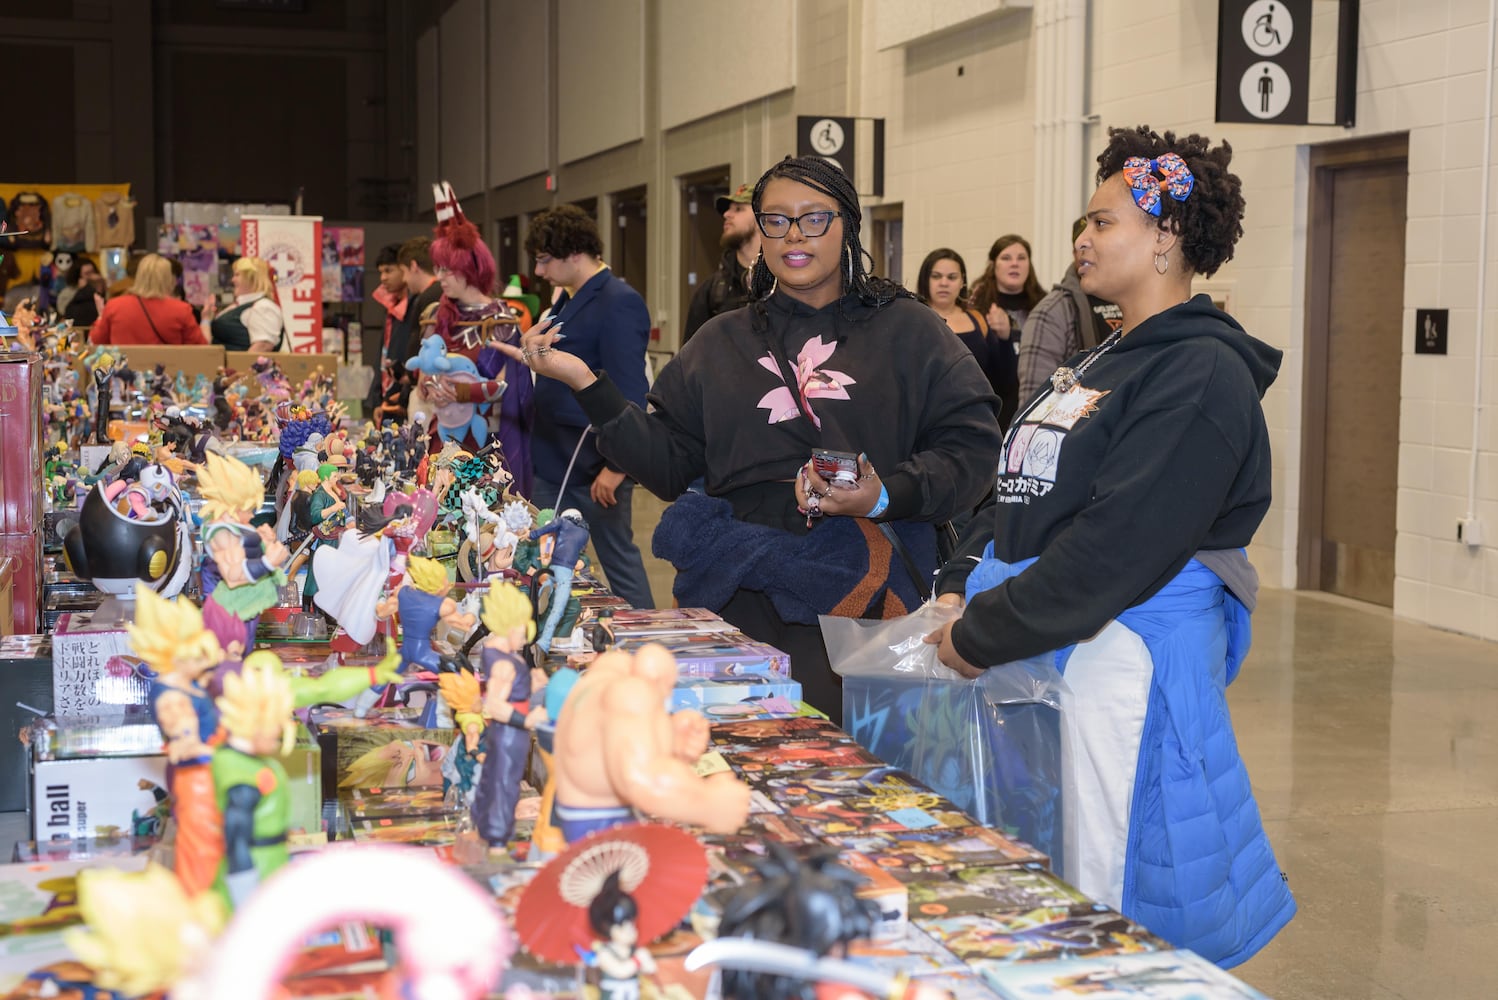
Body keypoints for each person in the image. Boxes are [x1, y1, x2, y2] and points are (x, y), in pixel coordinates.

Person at [923, 126, 1296, 966]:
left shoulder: (1200, 372)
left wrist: (981, 633)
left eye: (1102, 223)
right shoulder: (1105, 359)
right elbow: (1018, 483)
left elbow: (1118, 548)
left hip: (1112, 662)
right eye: (1080, 227)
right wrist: (959, 580)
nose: (1081, 241)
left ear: (1165, 238)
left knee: (1101, 894)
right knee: (1043, 880)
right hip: (1044, 645)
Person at [504, 157, 1001, 722]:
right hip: (735, 592)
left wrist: (884, 494)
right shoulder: (720, 342)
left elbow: (974, 447)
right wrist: (584, 383)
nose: (794, 235)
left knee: (843, 770)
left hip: (863, 604)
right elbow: (669, 466)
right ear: (759, 232)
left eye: (814, 219)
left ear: (848, 227)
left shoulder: (909, 332)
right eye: (776, 220)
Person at [522, 204, 655, 610]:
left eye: (545, 260)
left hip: (594, 463)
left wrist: (618, 468)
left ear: (574, 252)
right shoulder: (570, 300)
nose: (540, 271)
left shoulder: (618, 301)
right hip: (554, 457)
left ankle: (648, 643)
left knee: (618, 562)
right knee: (548, 560)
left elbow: (631, 391)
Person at [549, 644, 751, 842]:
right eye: (669, 689)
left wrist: (671, 738)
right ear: (660, 681)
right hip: (598, 826)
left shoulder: (601, 678)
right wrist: (707, 803)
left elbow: (606, 745)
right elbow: (640, 780)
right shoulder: (633, 692)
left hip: (578, 813)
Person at [411, 208, 533, 494]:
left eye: (447, 268)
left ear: (470, 267)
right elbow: (421, 384)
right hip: (443, 437)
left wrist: (460, 393)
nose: (439, 276)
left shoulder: (500, 320)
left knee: (483, 521)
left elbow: (506, 387)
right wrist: (429, 390)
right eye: (438, 267)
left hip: (486, 442)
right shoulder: (435, 315)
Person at [1017, 217, 1122, 401]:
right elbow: (1033, 402)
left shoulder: (1129, 301)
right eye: (1080, 247)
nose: (1085, 252)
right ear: (1074, 253)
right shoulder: (1050, 312)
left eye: (1095, 245)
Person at [915, 247, 1007, 409]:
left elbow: (1001, 376)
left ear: (962, 281)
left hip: (975, 411)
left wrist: (1005, 338)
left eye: (952, 277)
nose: (944, 283)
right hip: (927, 414)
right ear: (925, 280)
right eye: (936, 276)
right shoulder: (913, 320)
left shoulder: (978, 320)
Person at [970, 234, 1045, 427]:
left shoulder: (1046, 305)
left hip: (1037, 407)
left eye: (1021, 258)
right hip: (993, 414)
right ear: (993, 265)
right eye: (1006, 258)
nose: (1015, 264)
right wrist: (1003, 339)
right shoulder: (976, 307)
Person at [682, 182, 760, 344]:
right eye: (728, 209)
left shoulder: (781, 283)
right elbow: (691, 359)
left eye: (738, 209)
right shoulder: (712, 291)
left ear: (762, 218)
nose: (726, 214)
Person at [88, 253, 207, 345]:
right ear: (169, 279)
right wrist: (207, 320)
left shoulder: (115, 305)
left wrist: (100, 316)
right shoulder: (181, 309)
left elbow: (96, 341)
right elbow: (201, 348)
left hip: (123, 374)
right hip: (167, 373)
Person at [201, 257, 284, 353]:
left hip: (237, 367)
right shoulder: (242, 305)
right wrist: (206, 318)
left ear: (252, 278)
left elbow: (263, 346)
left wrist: (242, 367)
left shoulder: (263, 306)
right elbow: (208, 345)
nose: (232, 280)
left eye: (237, 275)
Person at [369, 243, 409, 416]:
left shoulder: (413, 306)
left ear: (405, 269)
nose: (383, 278)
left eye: (388, 270)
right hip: (387, 394)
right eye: (380, 272)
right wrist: (377, 397)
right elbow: (383, 353)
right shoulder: (390, 306)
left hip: (404, 395)